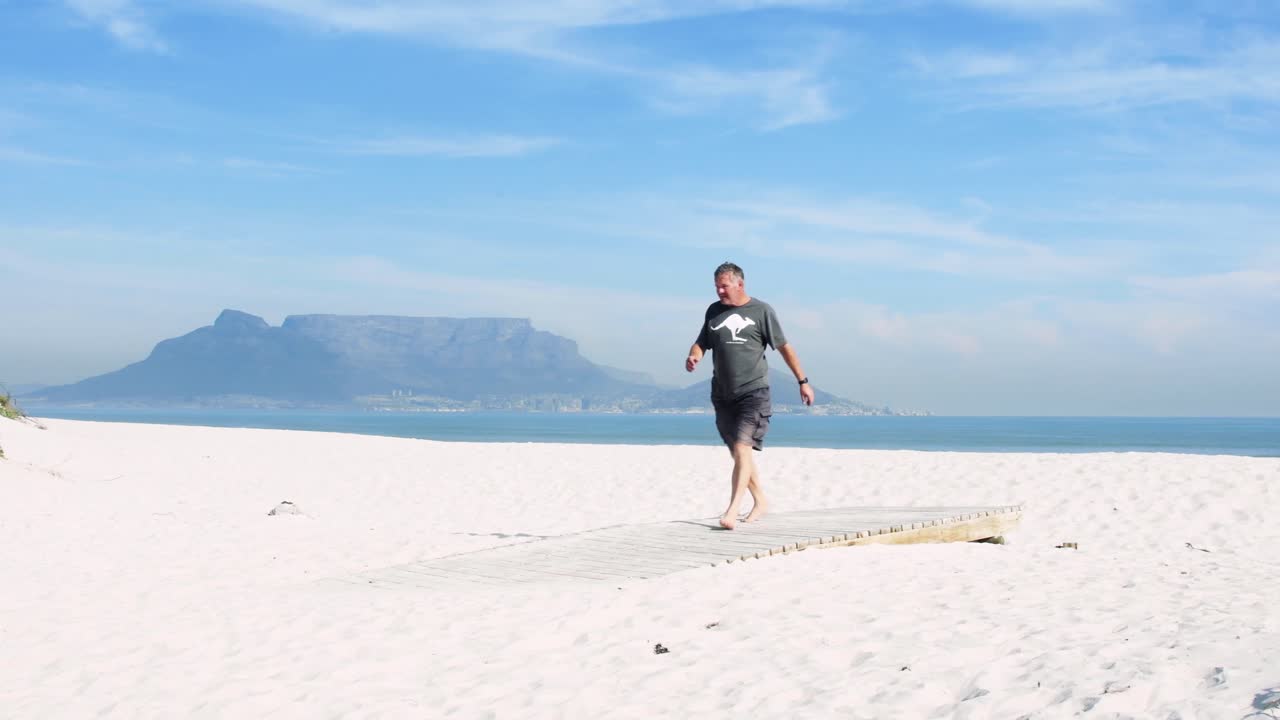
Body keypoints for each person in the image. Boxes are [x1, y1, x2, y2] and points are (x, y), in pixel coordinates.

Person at [685, 261, 814, 530]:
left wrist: (802, 381)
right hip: (722, 394)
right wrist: (694, 355)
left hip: (753, 392)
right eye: (717, 286)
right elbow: (702, 342)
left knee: (743, 448)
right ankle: (761, 501)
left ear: (739, 284)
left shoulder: (761, 311)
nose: (720, 291)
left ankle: (732, 510)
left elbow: (784, 347)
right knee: (739, 453)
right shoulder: (714, 311)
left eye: (724, 285)